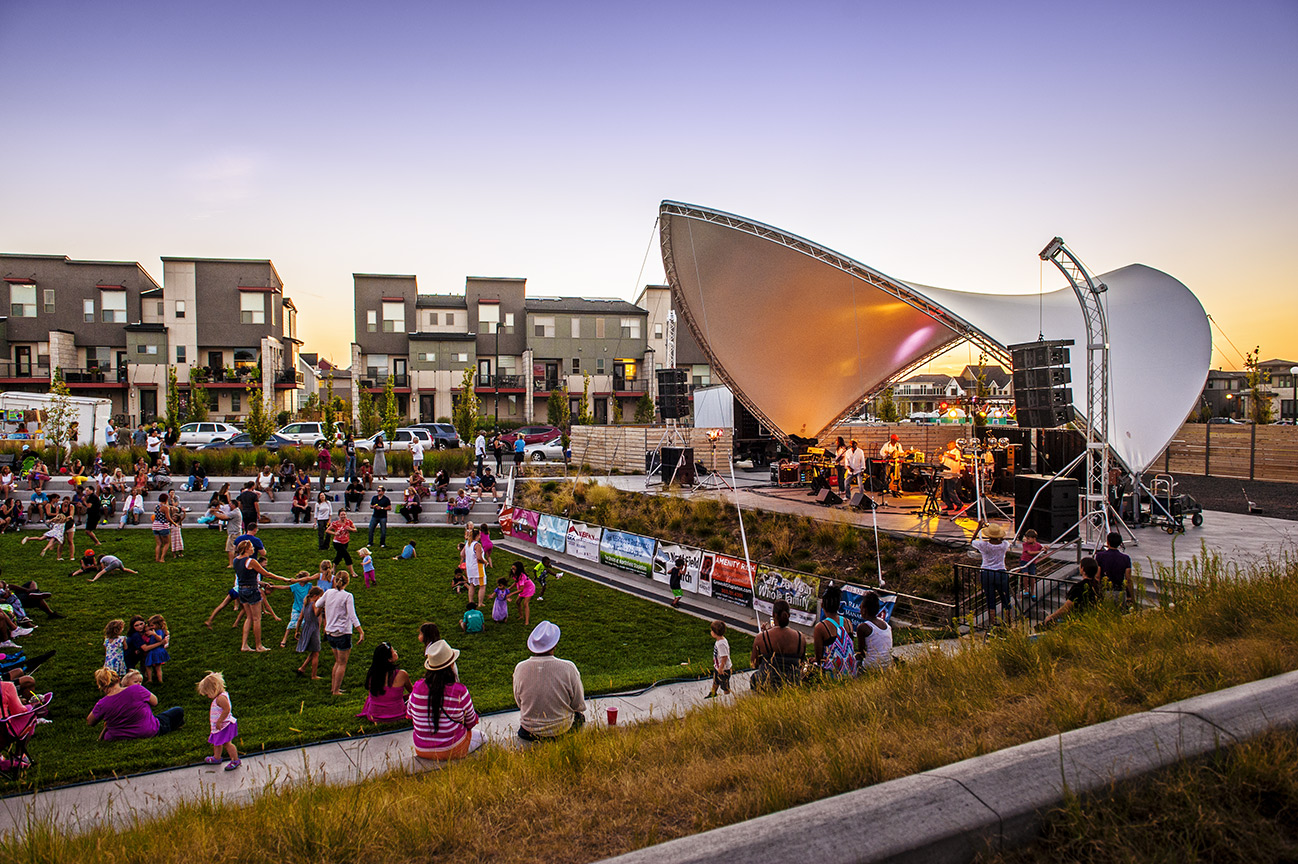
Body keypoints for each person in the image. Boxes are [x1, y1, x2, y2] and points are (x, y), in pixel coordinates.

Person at [408, 639, 482, 760]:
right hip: (452, 749)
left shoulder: (417, 688)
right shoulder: (459, 691)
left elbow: (410, 713)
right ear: (452, 665)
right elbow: (471, 722)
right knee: (483, 737)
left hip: (421, 749)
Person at [513, 621, 586, 740]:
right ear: (555, 644)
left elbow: (519, 702)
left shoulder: (520, 668)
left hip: (529, 731)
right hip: (561, 729)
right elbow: (578, 704)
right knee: (579, 718)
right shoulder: (568, 668)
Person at [87, 667, 184, 741]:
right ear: (118, 680)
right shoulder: (136, 689)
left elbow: (90, 722)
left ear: (101, 686)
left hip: (118, 736)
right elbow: (155, 702)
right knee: (177, 711)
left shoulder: (102, 703)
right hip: (148, 730)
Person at [317, 572, 364, 696]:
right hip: (343, 632)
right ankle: (336, 690)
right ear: (347, 582)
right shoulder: (347, 596)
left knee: (337, 661)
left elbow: (317, 604)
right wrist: (360, 631)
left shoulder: (328, 593)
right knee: (342, 663)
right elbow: (352, 615)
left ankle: (334, 688)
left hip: (330, 632)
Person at [234, 539, 280, 652]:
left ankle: (244, 645)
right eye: (251, 548)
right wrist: (284, 579)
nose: (253, 549)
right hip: (252, 590)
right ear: (246, 549)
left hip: (241, 590)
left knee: (249, 617)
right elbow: (266, 574)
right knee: (256, 618)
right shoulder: (251, 561)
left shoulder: (236, 560)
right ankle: (258, 646)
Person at [750, 599, 805, 692]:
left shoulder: (762, 638)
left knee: (754, 678)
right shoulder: (800, 637)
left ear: (773, 615)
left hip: (768, 684)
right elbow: (801, 662)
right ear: (789, 615)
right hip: (792, 684)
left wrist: (765, 634)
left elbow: (754, 664)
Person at [356, 642, 411, 722]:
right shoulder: (402, 674)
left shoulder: (372, 674)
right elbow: (412, 692)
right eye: (393, 651)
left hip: (374, 715)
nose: (396, 651)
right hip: (398, 714)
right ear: (389, 659)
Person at [1042, 557, 1104, 628]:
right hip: (1092, 618)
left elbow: (1067, 606)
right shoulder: (1097, 586)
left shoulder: (1079, 587)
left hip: (1078, 619)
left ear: (1083, 569)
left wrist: (1051, 617)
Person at [197, 672, 241, 770]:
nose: (208, 696)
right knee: (217, 742)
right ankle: (216, 757)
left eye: (208, 694)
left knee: (227, 743)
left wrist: (220, 721)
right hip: (219, 726)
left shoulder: (221, 699)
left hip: (224, 725)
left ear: (214, 689)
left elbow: (227, 709)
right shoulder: (219, 697)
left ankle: (235, 760)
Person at [813, 585, 858, 679]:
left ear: (822, 605)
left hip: (833, 675)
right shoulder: (847, 622)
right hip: (851, 672)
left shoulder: (821, 627)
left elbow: (819, 658)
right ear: (838, 605)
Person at [972, 522, 1012, 626]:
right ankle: (1008, 623)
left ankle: (992, 624)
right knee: (1006, 599)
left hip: (987, 572)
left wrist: (978, 528)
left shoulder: (984, 545)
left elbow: (972, 541)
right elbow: (1006, 541)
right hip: (1001, 572)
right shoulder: (1004, 545)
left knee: (990, 599)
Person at [273, 570, 319, 649]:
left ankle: (303, 638)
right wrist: (273, 586)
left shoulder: (309, 586)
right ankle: (284, 639)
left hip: (305, 608)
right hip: (297, 608)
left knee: (305, 624)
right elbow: (284, 587)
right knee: (291, 624)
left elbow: (317, 590)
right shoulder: (295, 586)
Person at [854, 591, 893, 671]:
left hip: (871, 667)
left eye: (860, 607)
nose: (859, 610)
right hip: (887, 666)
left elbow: (861, 653)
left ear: (864, 610)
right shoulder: (886, 625)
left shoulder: (863, 627)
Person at [1095, 531, 1136, 606]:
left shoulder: (1100, 556)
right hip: (1119, 590)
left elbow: (1097, 576)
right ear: (1120, 543)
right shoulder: (1125, 558)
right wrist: (1131, 597)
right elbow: (1128, 579)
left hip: (1105, 589)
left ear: (1108, 542)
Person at [294, 586, 326, 679]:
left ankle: (302, 668)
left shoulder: (305, 604)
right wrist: (321, 606)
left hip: (306, 628)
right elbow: (316, 613)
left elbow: (300, 618)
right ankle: (314, 675)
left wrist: (297, 631)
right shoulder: (314, 604)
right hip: (313, 629)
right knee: (316, 652)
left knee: (314, 651)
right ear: (316, 596)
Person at [705, 620, 731, 698]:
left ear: (714, 633)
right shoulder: (720, 641)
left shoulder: (721, 644)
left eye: (711, 630)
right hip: (717, 666)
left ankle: (728, 696)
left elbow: (724, 656)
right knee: (716, 681)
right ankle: (713, 692)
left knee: (724, 684)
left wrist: (721, 667)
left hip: (723, 669)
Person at [326, 512, 357, 578]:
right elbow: (327, 530)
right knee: (346, 556)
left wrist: (350, 529)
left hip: (345, 542)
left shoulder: (349, 522)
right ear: (339, 516)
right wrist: (335, 533)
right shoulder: (335, 523)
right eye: (341, 515)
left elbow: (355, 530)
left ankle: (334, 567)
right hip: (337, 542)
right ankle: (352, 572)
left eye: (344, 515)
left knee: (339, 556)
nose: (343, 516)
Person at [142, 614, 170, 683]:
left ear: (158, 624)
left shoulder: (158, 631)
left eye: (152, 625)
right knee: (151, 666)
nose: (151, 627)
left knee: (155, 666)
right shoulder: (157, 630)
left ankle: (157, 680)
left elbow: (160, 639)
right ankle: (153, 679)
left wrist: (154, 634)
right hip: (155, 650)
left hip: (156, 651)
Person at [940, 440, 965, 515]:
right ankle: (949, 505)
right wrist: (941, 458)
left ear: (954, 445)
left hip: (953, 474)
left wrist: (947, 454)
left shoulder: (956, 451)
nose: (948, 446)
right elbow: (943, 461)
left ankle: (959, 503)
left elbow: (956, 458)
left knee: (951, 490)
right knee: (945, 491)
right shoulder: (947, 452)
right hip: (946, 473)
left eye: (950, 445)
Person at [465, 527, 486, 607]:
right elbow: (479, 557)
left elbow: (462, 554)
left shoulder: (468, 544)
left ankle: (471, 601)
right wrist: (485, 562)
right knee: (482, 585)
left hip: (469, 568)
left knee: (472, 585)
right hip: (477, 568)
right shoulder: (477, 545)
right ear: (477, 535)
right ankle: (480, 603)